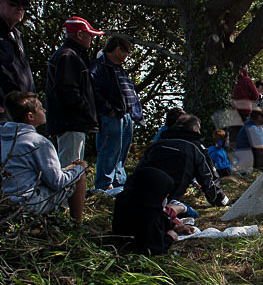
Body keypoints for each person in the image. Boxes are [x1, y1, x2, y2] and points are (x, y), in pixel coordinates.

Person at [0, 91, 87, 223]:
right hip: (27, 203)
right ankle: (77, 226)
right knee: (79, 177)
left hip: (5, 201)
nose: (45, 110)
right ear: (30, 116)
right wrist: (80, 168)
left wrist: (69, 168)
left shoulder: (3, 137)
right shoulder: (38, 142)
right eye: (40, 108)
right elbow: (57, 182)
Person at [135, 114, 230, 207]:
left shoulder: (156, 145)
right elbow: (208, 178)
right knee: (191, 214)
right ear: (195, 128)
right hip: (166, 200)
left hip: (139, 195)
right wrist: (220, 200)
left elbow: (138, 171)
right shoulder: (195, 148)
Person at [46, 16, 104, 167]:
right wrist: (85, 109)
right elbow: (67, 90)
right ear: (79, 34)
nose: (91, 38)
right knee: (70, 166)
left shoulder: (72, 55)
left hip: (73, 121)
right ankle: (67, 191)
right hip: (71, 121)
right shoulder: (68, 56)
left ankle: (71, 190)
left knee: (73, 164)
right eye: (89, 34)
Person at [90, 35, 143, 191]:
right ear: (118, 49)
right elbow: (94, 91)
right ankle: (104, 185)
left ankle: (119, 183)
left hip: (126, 115)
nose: (127, 56)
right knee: (109, 149)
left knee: (122, 151)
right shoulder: (99, 66)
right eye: (127, 52)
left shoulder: (118, 68)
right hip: (111, 115)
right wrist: (109, 109)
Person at [112, 166, 193, 255]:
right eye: (164, 194)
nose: (165, 198)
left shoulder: (128, 200)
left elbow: (161, 217)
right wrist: (169, 237)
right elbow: (154, 250)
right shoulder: (149, 217)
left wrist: (174, 226)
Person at [0, 0, 35, 121]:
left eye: (23, 5)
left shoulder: (16, 36)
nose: (19, 8)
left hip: (20, 112)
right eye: (13, 3)